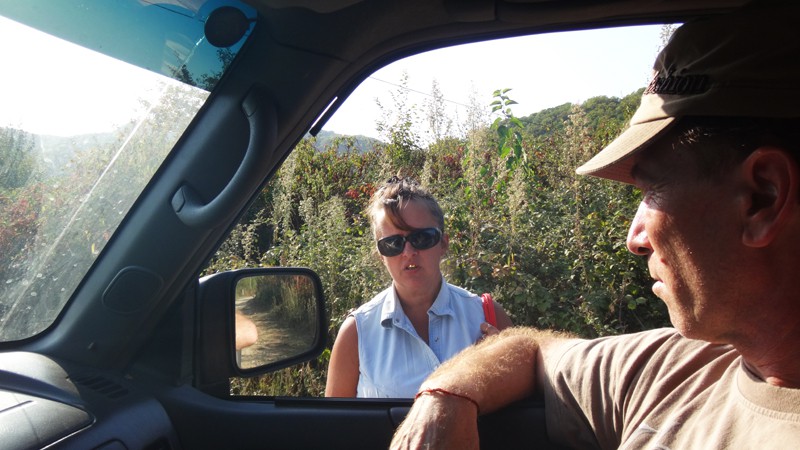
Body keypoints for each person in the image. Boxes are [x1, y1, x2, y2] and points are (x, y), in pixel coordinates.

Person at [390, 5, 800, 449]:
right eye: (392, 242)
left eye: (652, 190)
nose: (634, 239)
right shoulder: (675, 368)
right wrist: (445, 395)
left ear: (763, 197)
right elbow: (532, 349)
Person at [325, 176, 513, 398]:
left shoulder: (489, 317)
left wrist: (501, 374)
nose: (408, 252)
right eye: (393, 244)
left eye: (422, 238)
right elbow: (337, 419)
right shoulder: (357, 333)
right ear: (380, 255)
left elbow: (522, 410)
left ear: (443, 243)